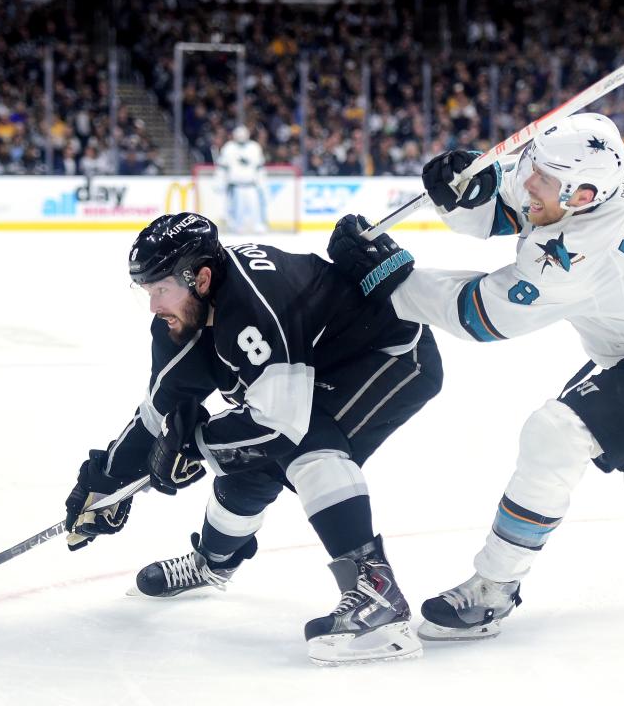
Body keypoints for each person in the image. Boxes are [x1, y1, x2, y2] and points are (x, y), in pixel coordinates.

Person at [327, 113, 624, 643]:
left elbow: (484, 316)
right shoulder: (588, 185)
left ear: (582, 193)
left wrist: (390, 279)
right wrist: (470, 193)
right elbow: (521, 203)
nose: (528, 181)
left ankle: (495, 587)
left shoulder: (594, 249)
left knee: (555, 434)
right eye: (533, 166)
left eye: (542, 179)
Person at [63, 212, 443, 664]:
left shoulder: (253, 307)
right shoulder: (183, 319)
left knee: (302, 444)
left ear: (201, 278)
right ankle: (213, 564)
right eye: (146, 292)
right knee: (250, 458)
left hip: (388, 355)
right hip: (312, 371)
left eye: (160, 289)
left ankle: (376, 592)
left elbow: (283, 424)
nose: (153, 306)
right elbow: (157, 412)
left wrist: (196, 445)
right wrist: (104, 481)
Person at [216, 125, 267, 233]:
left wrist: (262, 182)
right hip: (236, 186)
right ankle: (235, 226)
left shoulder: (254, 147)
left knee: (255, 208)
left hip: (251, 185)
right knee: (235, 209)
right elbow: (222, 167)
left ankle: (258, 225)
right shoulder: (229, 147)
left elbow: (260, 167)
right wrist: (220, 182)